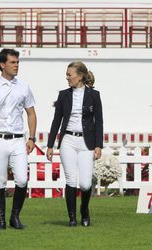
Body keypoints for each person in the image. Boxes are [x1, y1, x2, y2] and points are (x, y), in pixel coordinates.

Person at [0, 48, 37, 230]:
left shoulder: (24, 87)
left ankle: (15, 217)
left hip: (18, 139)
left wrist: (32, 138)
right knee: (0, 181)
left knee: (21, 180)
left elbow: (31, 113)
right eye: (13, 62)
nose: (16, 65)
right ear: (2, 64)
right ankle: (1, 221)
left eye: (18, 62)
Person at [46, 61, 103, 227]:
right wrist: (50, 145)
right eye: (67, 74)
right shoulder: (64, 95)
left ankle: (84, 210)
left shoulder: (94, 95)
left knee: (85, 183)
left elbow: (98, 121)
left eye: (69, 74)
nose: (67, 77)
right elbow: (56, 120)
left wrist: (98, 145)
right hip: (68, 140)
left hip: (87, 142)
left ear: (80, 76)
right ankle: (72, 218)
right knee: (71, 179)